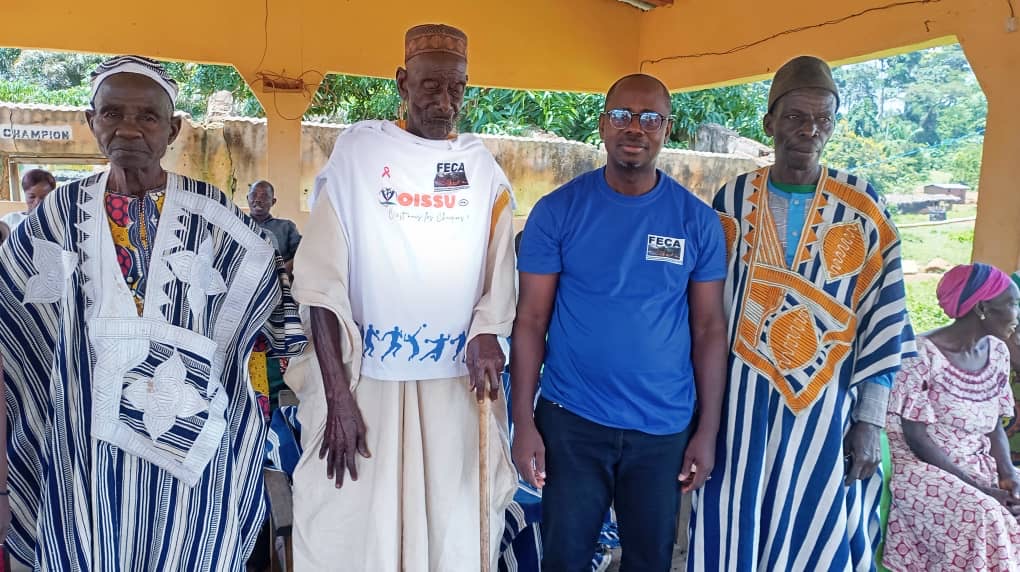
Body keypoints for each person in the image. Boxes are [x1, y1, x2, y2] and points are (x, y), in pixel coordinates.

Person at [0, 55, 306, 570]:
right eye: (112, 113)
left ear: (173, 129)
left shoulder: (216, 218)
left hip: (196, 467)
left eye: (147, 116)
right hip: (84, 465)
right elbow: (11, 336)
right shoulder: (54, 218)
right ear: (91, 120)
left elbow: (272, 320)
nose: (128, 129)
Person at [286, 24, 518, 571]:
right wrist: (338, 399)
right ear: (402, 83)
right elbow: (320, 288)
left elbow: (500, 269)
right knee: (350, 522)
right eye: (430, 85)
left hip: (453, 387)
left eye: (456, 87)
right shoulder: (360, 157)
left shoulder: (480, 168)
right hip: (366, 387)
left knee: (452, 521)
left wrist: (488, 330)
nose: (444, 101)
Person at [688, 55, 916, 571]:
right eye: (795, 117)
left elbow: (884, 319)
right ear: (770, 122)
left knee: (816, 526)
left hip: (826, 409)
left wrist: (869, 421)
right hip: (736, 406)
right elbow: (705, 310)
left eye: (822, 120)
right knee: (732, 521)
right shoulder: (732, 199)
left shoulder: (863, 206)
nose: (810, 131)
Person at [512, 73, 728, 571]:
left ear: (667, 129)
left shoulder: (697, 221)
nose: (635, 128)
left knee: (649, 561)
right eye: (622, 115)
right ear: (602, 124)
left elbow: (709, 329)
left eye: (650, 118)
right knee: (564, 559)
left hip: (663, 428)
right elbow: (530, 320)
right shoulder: (557, 212)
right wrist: (524, 422)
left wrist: (707, 431)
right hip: (572, 421)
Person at [883, 263, 1020, 570]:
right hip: (922, 469)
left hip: (977, 462)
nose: (1018, 314)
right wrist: (981, 489)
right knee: (983, 513)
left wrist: (1008, 473)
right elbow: (917, 439)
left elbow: (994, 425)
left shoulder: (997, 352)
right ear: (982, 308)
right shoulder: (919, 355)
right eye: (1013, 304)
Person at [247, 180, 301, 274]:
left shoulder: (287, 227)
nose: (258, 199)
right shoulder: (238, 225)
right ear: (247, 198)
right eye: (253, 195)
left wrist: (281, 274)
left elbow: (301, 253)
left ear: (273, 202)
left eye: (264, 196)